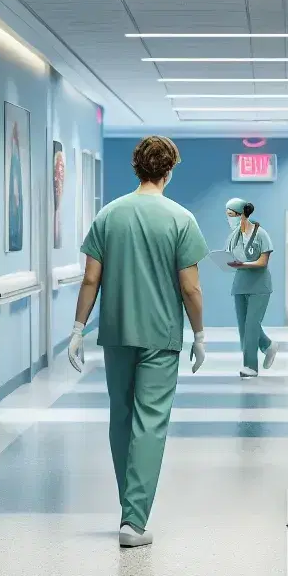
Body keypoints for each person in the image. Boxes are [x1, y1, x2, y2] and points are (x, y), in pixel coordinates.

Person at [68, 136, 208, 548]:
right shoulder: (181, 219)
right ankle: (134, 520)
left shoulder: (109, 215)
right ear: (169, 170)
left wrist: (78, 328)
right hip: (161, 336)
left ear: (136, 168)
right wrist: (199, 334)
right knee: (151, 422)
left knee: (121, 418)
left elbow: (91, 278)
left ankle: (128, 506)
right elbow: (191, 288)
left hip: (116, 332)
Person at [224, 197, 280, 377]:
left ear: (243, 215)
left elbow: (263, 262)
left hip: (259, 285)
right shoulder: (234, 237)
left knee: (251, 325)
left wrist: (243, 265)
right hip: (240, 285)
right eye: (227, 215)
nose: (229, 218)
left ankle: (250, 366)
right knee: (244, 326)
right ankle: (268, 345)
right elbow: (229, 257)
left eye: (232, 215)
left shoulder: (261, 234)